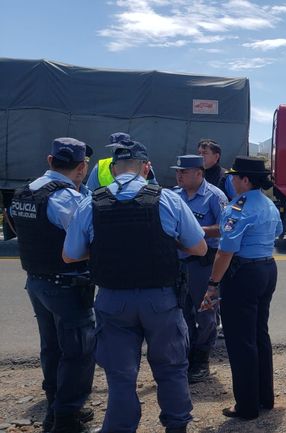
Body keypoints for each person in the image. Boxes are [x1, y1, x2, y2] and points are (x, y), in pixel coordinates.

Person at [63, 141, 207, 433]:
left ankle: (120, 427)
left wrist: (106, 247)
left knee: (120, 375)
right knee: (170, 368)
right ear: (146, 167)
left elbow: (70, 255)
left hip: (113, 300)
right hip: (161, 300)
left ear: (114, 169)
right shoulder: (168, 199)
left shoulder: (91, 201)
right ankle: (177, 425)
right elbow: (200, 249)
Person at [8, 138, 96, 433]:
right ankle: (66, 418)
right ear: (82, 168)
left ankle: (55, 408)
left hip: (36, 281)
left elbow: (17, 228)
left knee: (52, 348)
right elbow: (84, 239)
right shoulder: (66, 199)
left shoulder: (24, 191)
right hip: (66, 285)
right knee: (79, 352)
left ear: (50, 160)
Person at [200, 156, 282, 420]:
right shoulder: (269, 204)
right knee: (259, 334)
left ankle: (246, 406)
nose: (231, 181)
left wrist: (213, 284)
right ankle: (264, 398)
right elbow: (277, 232)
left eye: (235, 177)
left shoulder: (238, 207)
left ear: (245, 180)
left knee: (240, 341)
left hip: (243, 273)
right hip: (267, 268)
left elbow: (225, 252)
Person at [170, 155, 228, 383]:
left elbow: (225, 228)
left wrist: (195, 230)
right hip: (180, 264)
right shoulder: (174, 196)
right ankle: (187, 355)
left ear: (198, 173)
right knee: (181, 313)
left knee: (205, 314)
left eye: (183, 172)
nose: (179, 176)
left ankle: (201, 359)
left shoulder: (215, 196)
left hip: (204, 264)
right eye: (178, 172)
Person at [86, 132, 158, 191]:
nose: (116, 149)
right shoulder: (100, 166)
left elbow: (154, 188)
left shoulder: (143, 164)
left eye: (120, 147)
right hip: (109, 205)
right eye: (114, 147)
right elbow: (90, 191)